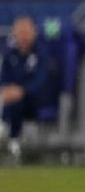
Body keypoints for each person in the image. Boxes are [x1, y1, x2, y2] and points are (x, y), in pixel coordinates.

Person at [0, 16, 51, 164]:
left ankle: (12, 142)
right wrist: (7, 90)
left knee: (16, 101)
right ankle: (10, 141)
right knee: (11, 102)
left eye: (26, 32)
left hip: (37, 100)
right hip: (13, 101)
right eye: (20, 32)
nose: (23, 36)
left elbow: (42, 80)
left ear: (33, 33)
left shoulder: (41, 54)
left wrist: (22, 91)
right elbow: (4, 79)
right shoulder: (10, 54)